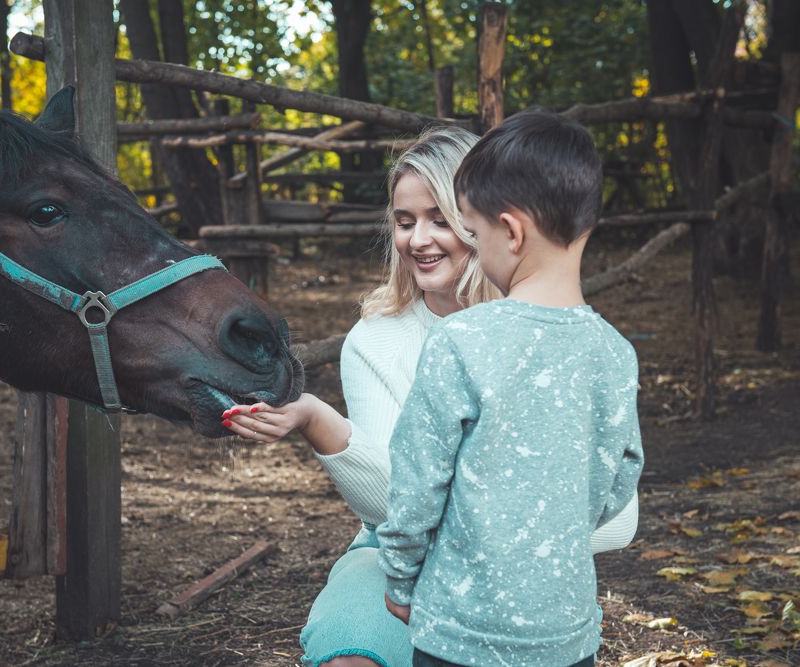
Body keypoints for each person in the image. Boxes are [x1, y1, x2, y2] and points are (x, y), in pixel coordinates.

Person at [221, 125, 639, 667]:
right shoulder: (375, 339)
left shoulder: (532, 342)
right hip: (409, 559)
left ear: (491, 224)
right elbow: (394, 509)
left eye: (441, 219)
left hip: (524, 577)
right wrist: (320, 419)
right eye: (404, 221)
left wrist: (499, 543)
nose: (418, 239)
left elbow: (623, 521)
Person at [376, 109, 645, 667]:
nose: (475, 245)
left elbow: (418, 480)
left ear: (512, 232)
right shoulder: (615, 352)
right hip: (567, 633)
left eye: (473, 232)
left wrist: (401, 579)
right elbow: (622, 473)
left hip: (459, 634)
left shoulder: (461, 339)